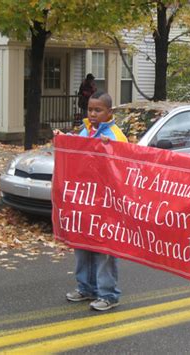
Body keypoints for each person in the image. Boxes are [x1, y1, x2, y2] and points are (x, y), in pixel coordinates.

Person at [55, 91, 127, 311]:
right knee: (82, 243)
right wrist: (62, 138)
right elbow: (76, 151)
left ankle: (108, 294)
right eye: (90, 109)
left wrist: (110, 148)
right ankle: (86, 287)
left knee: (104, 249)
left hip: (106, 203)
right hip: (84, 200)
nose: (93, 114)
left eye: (98, 110)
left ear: (109, 112)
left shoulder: (115, 135)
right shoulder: (87, 130)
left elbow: (125, 164)